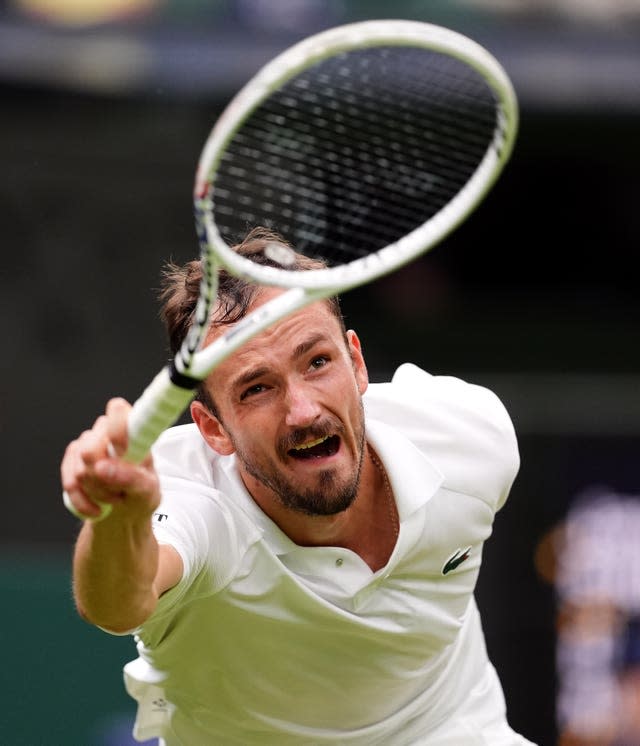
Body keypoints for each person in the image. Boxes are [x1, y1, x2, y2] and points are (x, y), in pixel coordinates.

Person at [61, 228, 536, 745]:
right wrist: (118, 518)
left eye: (317, 362)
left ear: (355, 362)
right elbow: (117, 605)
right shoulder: (194, 501)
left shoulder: (467, 436)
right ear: (213, 429)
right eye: (257, 388)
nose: (303, 411)